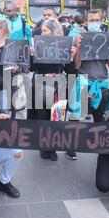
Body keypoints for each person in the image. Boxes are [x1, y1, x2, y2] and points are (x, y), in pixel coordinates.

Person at [68, 10, 109, 160]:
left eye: (97, 20)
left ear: (101, 21)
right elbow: (76, 66)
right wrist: (77, 48)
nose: (94, 22)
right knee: (76, 117)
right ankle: (70, 147)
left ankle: (100, 146)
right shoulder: (81, 37)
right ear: (86, 22)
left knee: (99, 117)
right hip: (84, 81)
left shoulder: (107, 38)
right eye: (91, 20)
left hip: (101, 83)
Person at [28, 18, 77, 161]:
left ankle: (53, 147)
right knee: (42, 117)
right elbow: (31, 68)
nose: (41, 33)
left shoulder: (63, 45)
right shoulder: (39, 45)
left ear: (53, 31)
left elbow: (71, 71)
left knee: (56, 117)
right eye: (42, 30)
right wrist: (31, 55)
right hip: (40, 83)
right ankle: (44, 147)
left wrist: (72, 56)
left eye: (45, 30)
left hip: (58, 85)